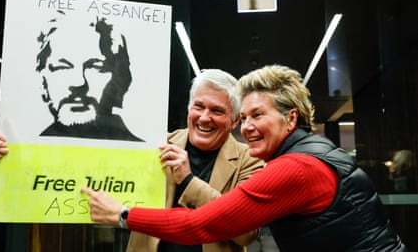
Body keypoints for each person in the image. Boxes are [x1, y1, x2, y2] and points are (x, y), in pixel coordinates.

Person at [81, 64, 408, 251]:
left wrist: (123, 215)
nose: (248, 127)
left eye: (257, 116)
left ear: (290, 119)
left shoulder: (294, 167)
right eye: (247, 117)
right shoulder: (315, 152)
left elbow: (203, 226)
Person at [0, 69, 265, 252]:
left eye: (217, 111)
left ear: (235, 121)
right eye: (199, 107)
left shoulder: (250, 161)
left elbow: (246, 234)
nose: (205, 118)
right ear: (189, 108)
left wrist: (189, 181)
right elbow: (81, 171)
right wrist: (13, 155)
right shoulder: (154, 144)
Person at [35, 10, 143, 141]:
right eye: (61, 67)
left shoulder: (152, 156)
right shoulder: (17, 148)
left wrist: (172, 160)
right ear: (42, 82)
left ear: (120, 80)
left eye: (94, 66)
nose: (78, 82)